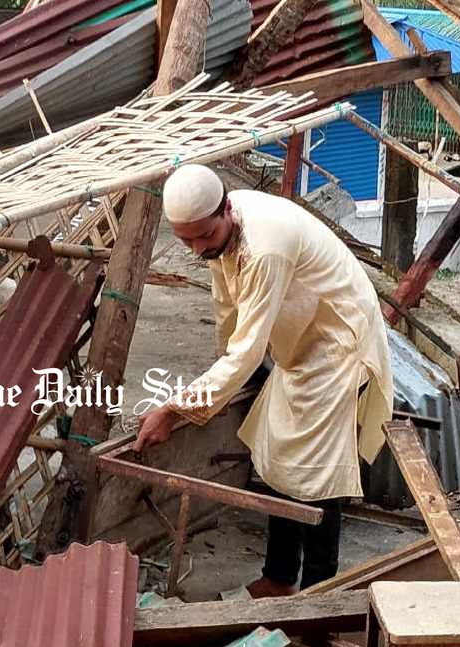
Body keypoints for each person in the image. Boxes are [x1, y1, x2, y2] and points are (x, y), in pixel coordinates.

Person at [133, 164, 392, 596]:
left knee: (315, 474)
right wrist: (223, 376)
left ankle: (318, 592)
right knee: (274, 455)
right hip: (302, 338)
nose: (197, 249)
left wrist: (175, 408)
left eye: (204, 237)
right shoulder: (222, 237)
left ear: (226, 211)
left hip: (337, 342)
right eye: (186, 240)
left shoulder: (264, 247)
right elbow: (227, 312)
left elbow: (248, 349)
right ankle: (279, 575)